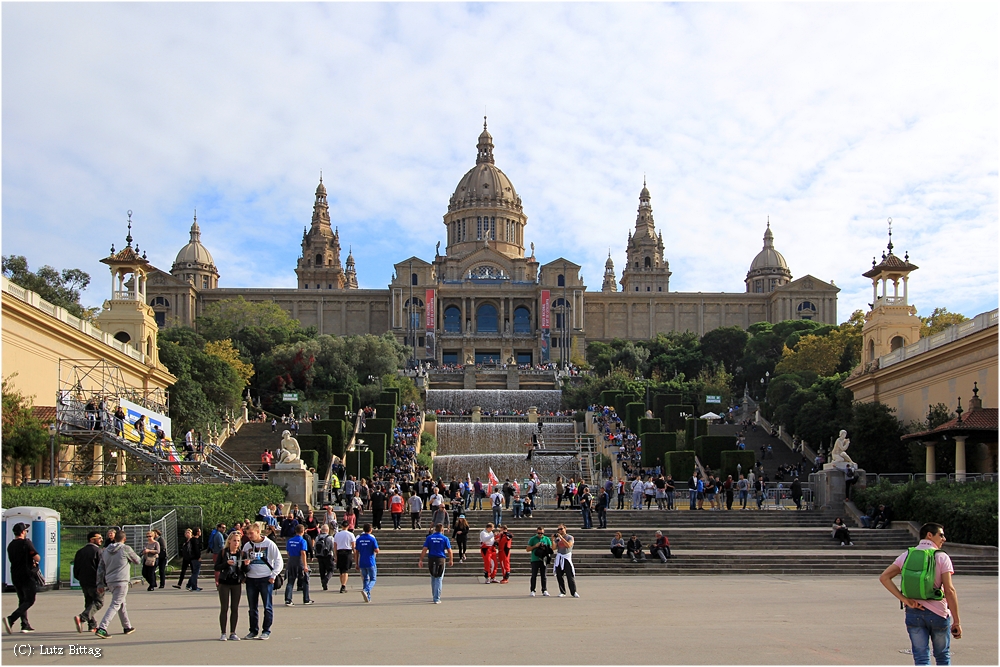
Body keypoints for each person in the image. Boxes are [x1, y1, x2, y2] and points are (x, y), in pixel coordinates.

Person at [879, 522, 962, 665]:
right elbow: (949, 590)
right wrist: (957, 621)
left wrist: (905, 599)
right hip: (938, 613)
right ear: (930, 535)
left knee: (921, 657)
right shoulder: (941, 557)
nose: (944, 539)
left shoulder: (907, 555)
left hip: (913, 612)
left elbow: (884, 577)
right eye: (941, 535)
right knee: (942, 656)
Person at [93, 529, 141, 639]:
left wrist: (100, 584)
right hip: (121, 580)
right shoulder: (126, 549)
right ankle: (102, 628)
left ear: (114, 538)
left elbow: (100, 568)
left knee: (121, 603)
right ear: (124, 539)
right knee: (115, 604)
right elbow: (137, 560)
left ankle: (127, 626)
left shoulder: (105, 551)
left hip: (110, 580)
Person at [240, 523, 283, 640]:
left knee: (267, 606)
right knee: (252, 607)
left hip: (266, 578)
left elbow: (279, 560)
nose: (249, 536)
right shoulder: (247, 546)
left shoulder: (269, 544)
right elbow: (242, 561)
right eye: (247, 534)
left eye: (251, 533)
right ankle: (253, 630)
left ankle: (266, 630)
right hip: (251, 579)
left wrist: (273, 575)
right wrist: (244, 567)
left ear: (258, 532)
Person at [4, 522, 40, 634]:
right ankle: (11, 618)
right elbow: (36, 557)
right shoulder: (26, 543)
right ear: (23, 532)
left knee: (22, 600)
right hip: (27, 574)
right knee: (30, 599)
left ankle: (25, 625)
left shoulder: (11, 545)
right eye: (26, 531)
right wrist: (35, 560)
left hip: (15, 575)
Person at [214, 532, 244, 641]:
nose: (236, 543)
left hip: (236, 582)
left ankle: (233, 632)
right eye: (234, 540)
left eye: (238, 541)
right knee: (224, 607)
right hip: (224, 583)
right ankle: (223, 633)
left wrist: (247, 565)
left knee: (235, 608)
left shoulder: (241, 554)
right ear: (229, 541)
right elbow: (216, 567)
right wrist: (226, 563)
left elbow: (244, 570)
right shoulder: (223, 553)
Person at [73, 531, 105, 633]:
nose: (101, 540)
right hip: (95, 581)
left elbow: (76, 568)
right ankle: (82, 617)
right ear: (92, 539)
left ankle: (92, 625)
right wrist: (103, 581)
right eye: (99, 538)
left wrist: (79, 578)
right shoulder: (98, 551)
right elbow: (101, 568)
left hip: (84, 581)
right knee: (98, 602)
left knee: (89, 602)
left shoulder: (80, 552)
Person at [418, 523, 453, 604]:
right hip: (440, 559)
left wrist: (421, 560)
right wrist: (451, 560)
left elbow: (424, 549)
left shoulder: (429, 538)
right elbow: (449, 551)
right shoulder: (445, 538)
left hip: (431, 558)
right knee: (439, 578)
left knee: (433, 577)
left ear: (435, 529)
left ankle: (434, 595)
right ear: (442, 530)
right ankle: (436, 598)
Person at [283, 525, 313, 606]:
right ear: (303, 531)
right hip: (299, 561)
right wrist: (305, 565)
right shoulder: (302, 541)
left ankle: (288, 599)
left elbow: (288, 552)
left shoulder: (290, 541)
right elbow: (303, 553)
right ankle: (306, 599)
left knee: (290, 581)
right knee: (305, 580)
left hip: (291, 560)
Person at [354, 524, 379, 603]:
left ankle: (367, 597)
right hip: (370, 561)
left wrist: (356, 563)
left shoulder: (359, 539)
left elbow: (356, 552)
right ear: (370, 530)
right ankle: (366, 590)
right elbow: (376, 550)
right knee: (373, 579)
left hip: (362, 561)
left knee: (365, 579)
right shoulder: (372, 539)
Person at [525, 526, 553, 597]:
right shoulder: (533, 539)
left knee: (544, 576)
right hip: (535, 559)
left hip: (544, 559)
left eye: (541, 533)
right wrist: (535, 546)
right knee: (534, 575)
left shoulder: (546, 539)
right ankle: (532, 590)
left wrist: (545, 547)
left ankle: (544, 590)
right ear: (536, 532)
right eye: (539, 533)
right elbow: (527, 549)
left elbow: (551, 549)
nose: (540, 534)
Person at [552, 525, 578, 598]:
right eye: (559, 529)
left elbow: (568, 545)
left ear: (565, 529)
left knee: (570, 576)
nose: (560, 530)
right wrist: (553, 540)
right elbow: (553, 548)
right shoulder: (558, 539)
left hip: (566, 557)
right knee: (559, 576)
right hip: (559, 557)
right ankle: (562, 591)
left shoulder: (570, 537)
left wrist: (561, 538)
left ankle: (574, 592)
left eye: (561, 529)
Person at [333, 520, 356, 593]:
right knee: (345, 570)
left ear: (342, 526)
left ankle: (342, 584)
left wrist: (335, 555)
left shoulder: (337, 534)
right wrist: (355, 554)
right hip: (347, 552)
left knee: (341, 570)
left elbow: (335, 546)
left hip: (340, 552)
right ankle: (343, 585)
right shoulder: (350, 534)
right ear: (348, 526)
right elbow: (353, 546)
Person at [314, 524, 336, 590]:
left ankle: (323, 584)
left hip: (320, 556)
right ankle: (326, 579)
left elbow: (315, 547)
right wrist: (334, 555)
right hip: (328, 555)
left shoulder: (317, 537)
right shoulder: (330, 538)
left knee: (322, 570)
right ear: (327, 530)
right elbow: (333, 547)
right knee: (331, 569)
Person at [209, 523, 227, 587]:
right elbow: (221, 546)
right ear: (219, 528)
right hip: (218, 553)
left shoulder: (217, 534)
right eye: (222, 527)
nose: (224, 529)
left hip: (216, 553)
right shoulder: (219, 535)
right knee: (218, 569)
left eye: (225, 527)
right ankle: (218, 582)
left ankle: (218, 582)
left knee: (218, 569)